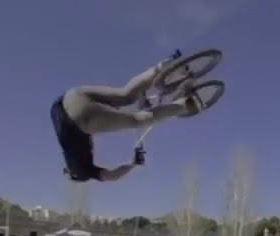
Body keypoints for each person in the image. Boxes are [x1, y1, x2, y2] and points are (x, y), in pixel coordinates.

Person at [52, 50, 203, 182]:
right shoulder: (65, 142)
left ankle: (186, 103)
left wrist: (132, 164)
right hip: (69, 96)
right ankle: (162, 66)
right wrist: (107, 106)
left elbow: (111, 176)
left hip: (79, 118)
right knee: (125, 95)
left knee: (137, 120)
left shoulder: (81, 171)